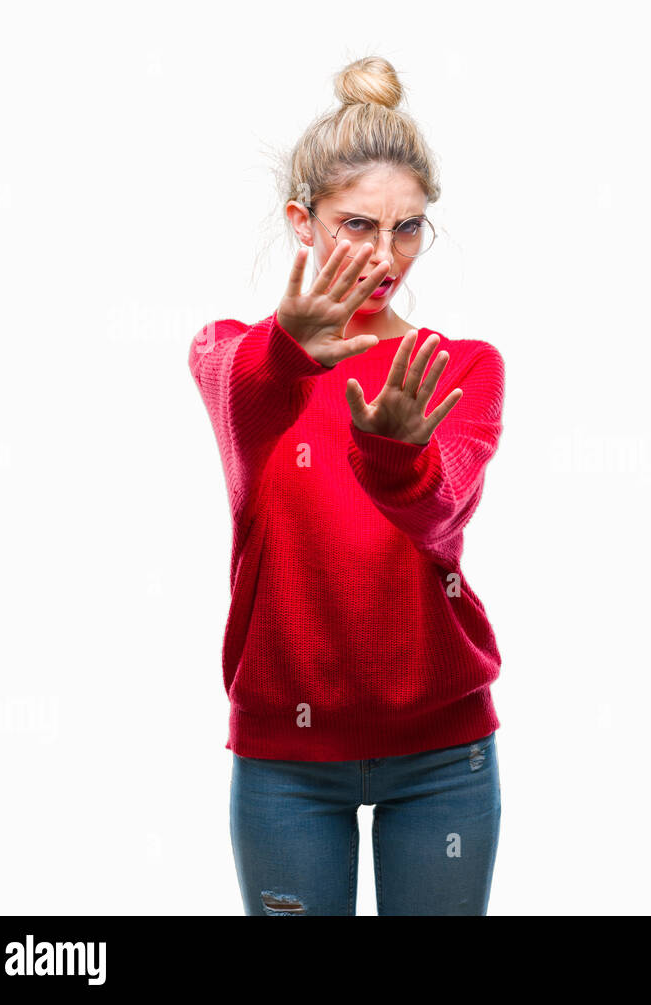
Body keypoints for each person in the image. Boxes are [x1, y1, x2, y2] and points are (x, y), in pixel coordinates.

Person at [188, 55, 504, 916]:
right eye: (356, 224)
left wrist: (398, 455)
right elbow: (245, 400)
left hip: (444, 759)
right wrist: (287, 348)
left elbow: (441, 515)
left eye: (408, 228)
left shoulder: (461, 367)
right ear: (303, 220)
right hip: (284, 766)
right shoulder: (232, 357)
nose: (383, 253)